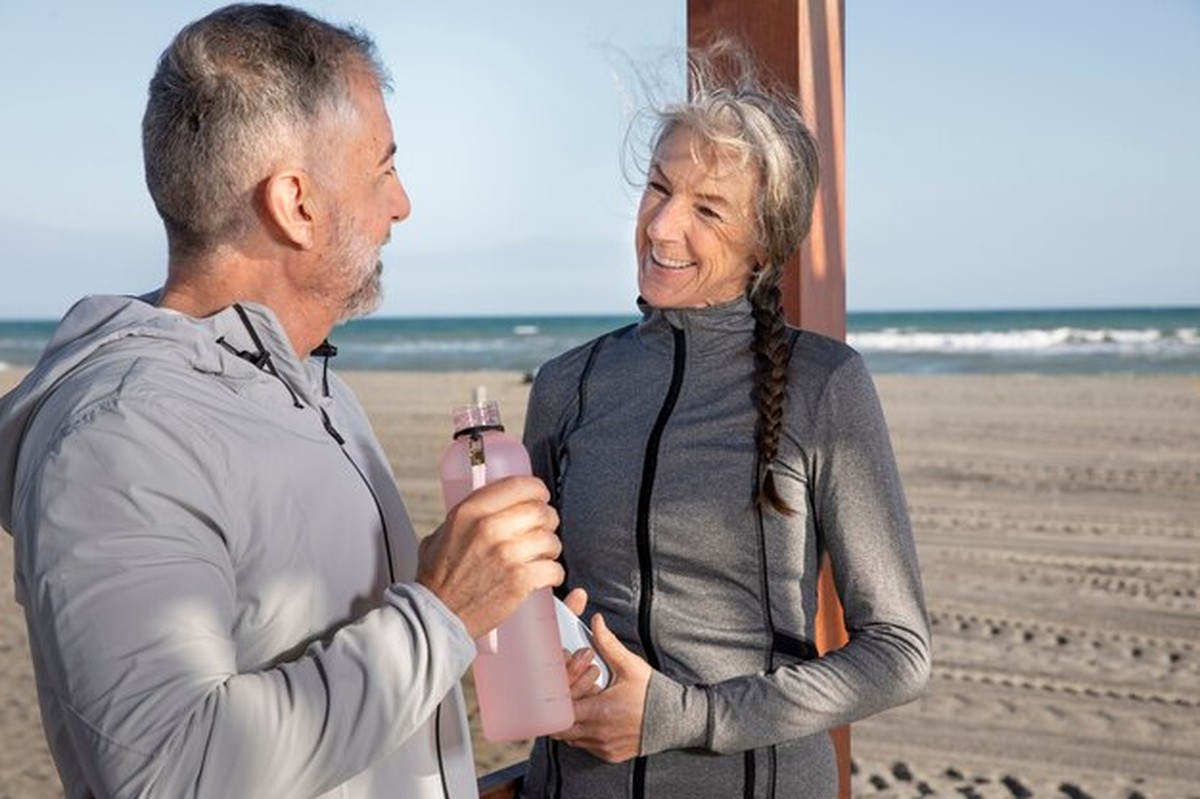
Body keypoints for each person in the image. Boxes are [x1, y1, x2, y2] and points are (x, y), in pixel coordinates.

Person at [0, 5, 563, 798]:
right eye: (382, 168)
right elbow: (173, 771)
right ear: (295, 203)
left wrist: (464, 583)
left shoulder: (305, 385)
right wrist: (441, 610)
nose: (401, 204)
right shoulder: (122, 433)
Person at [520, 41, 931, 798]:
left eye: (707, 209)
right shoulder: (565, 384)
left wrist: (688, 715)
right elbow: (525, 606)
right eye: (657, 187)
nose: (662, 227)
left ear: (763, 243)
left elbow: (898, 651)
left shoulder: (824, 384)